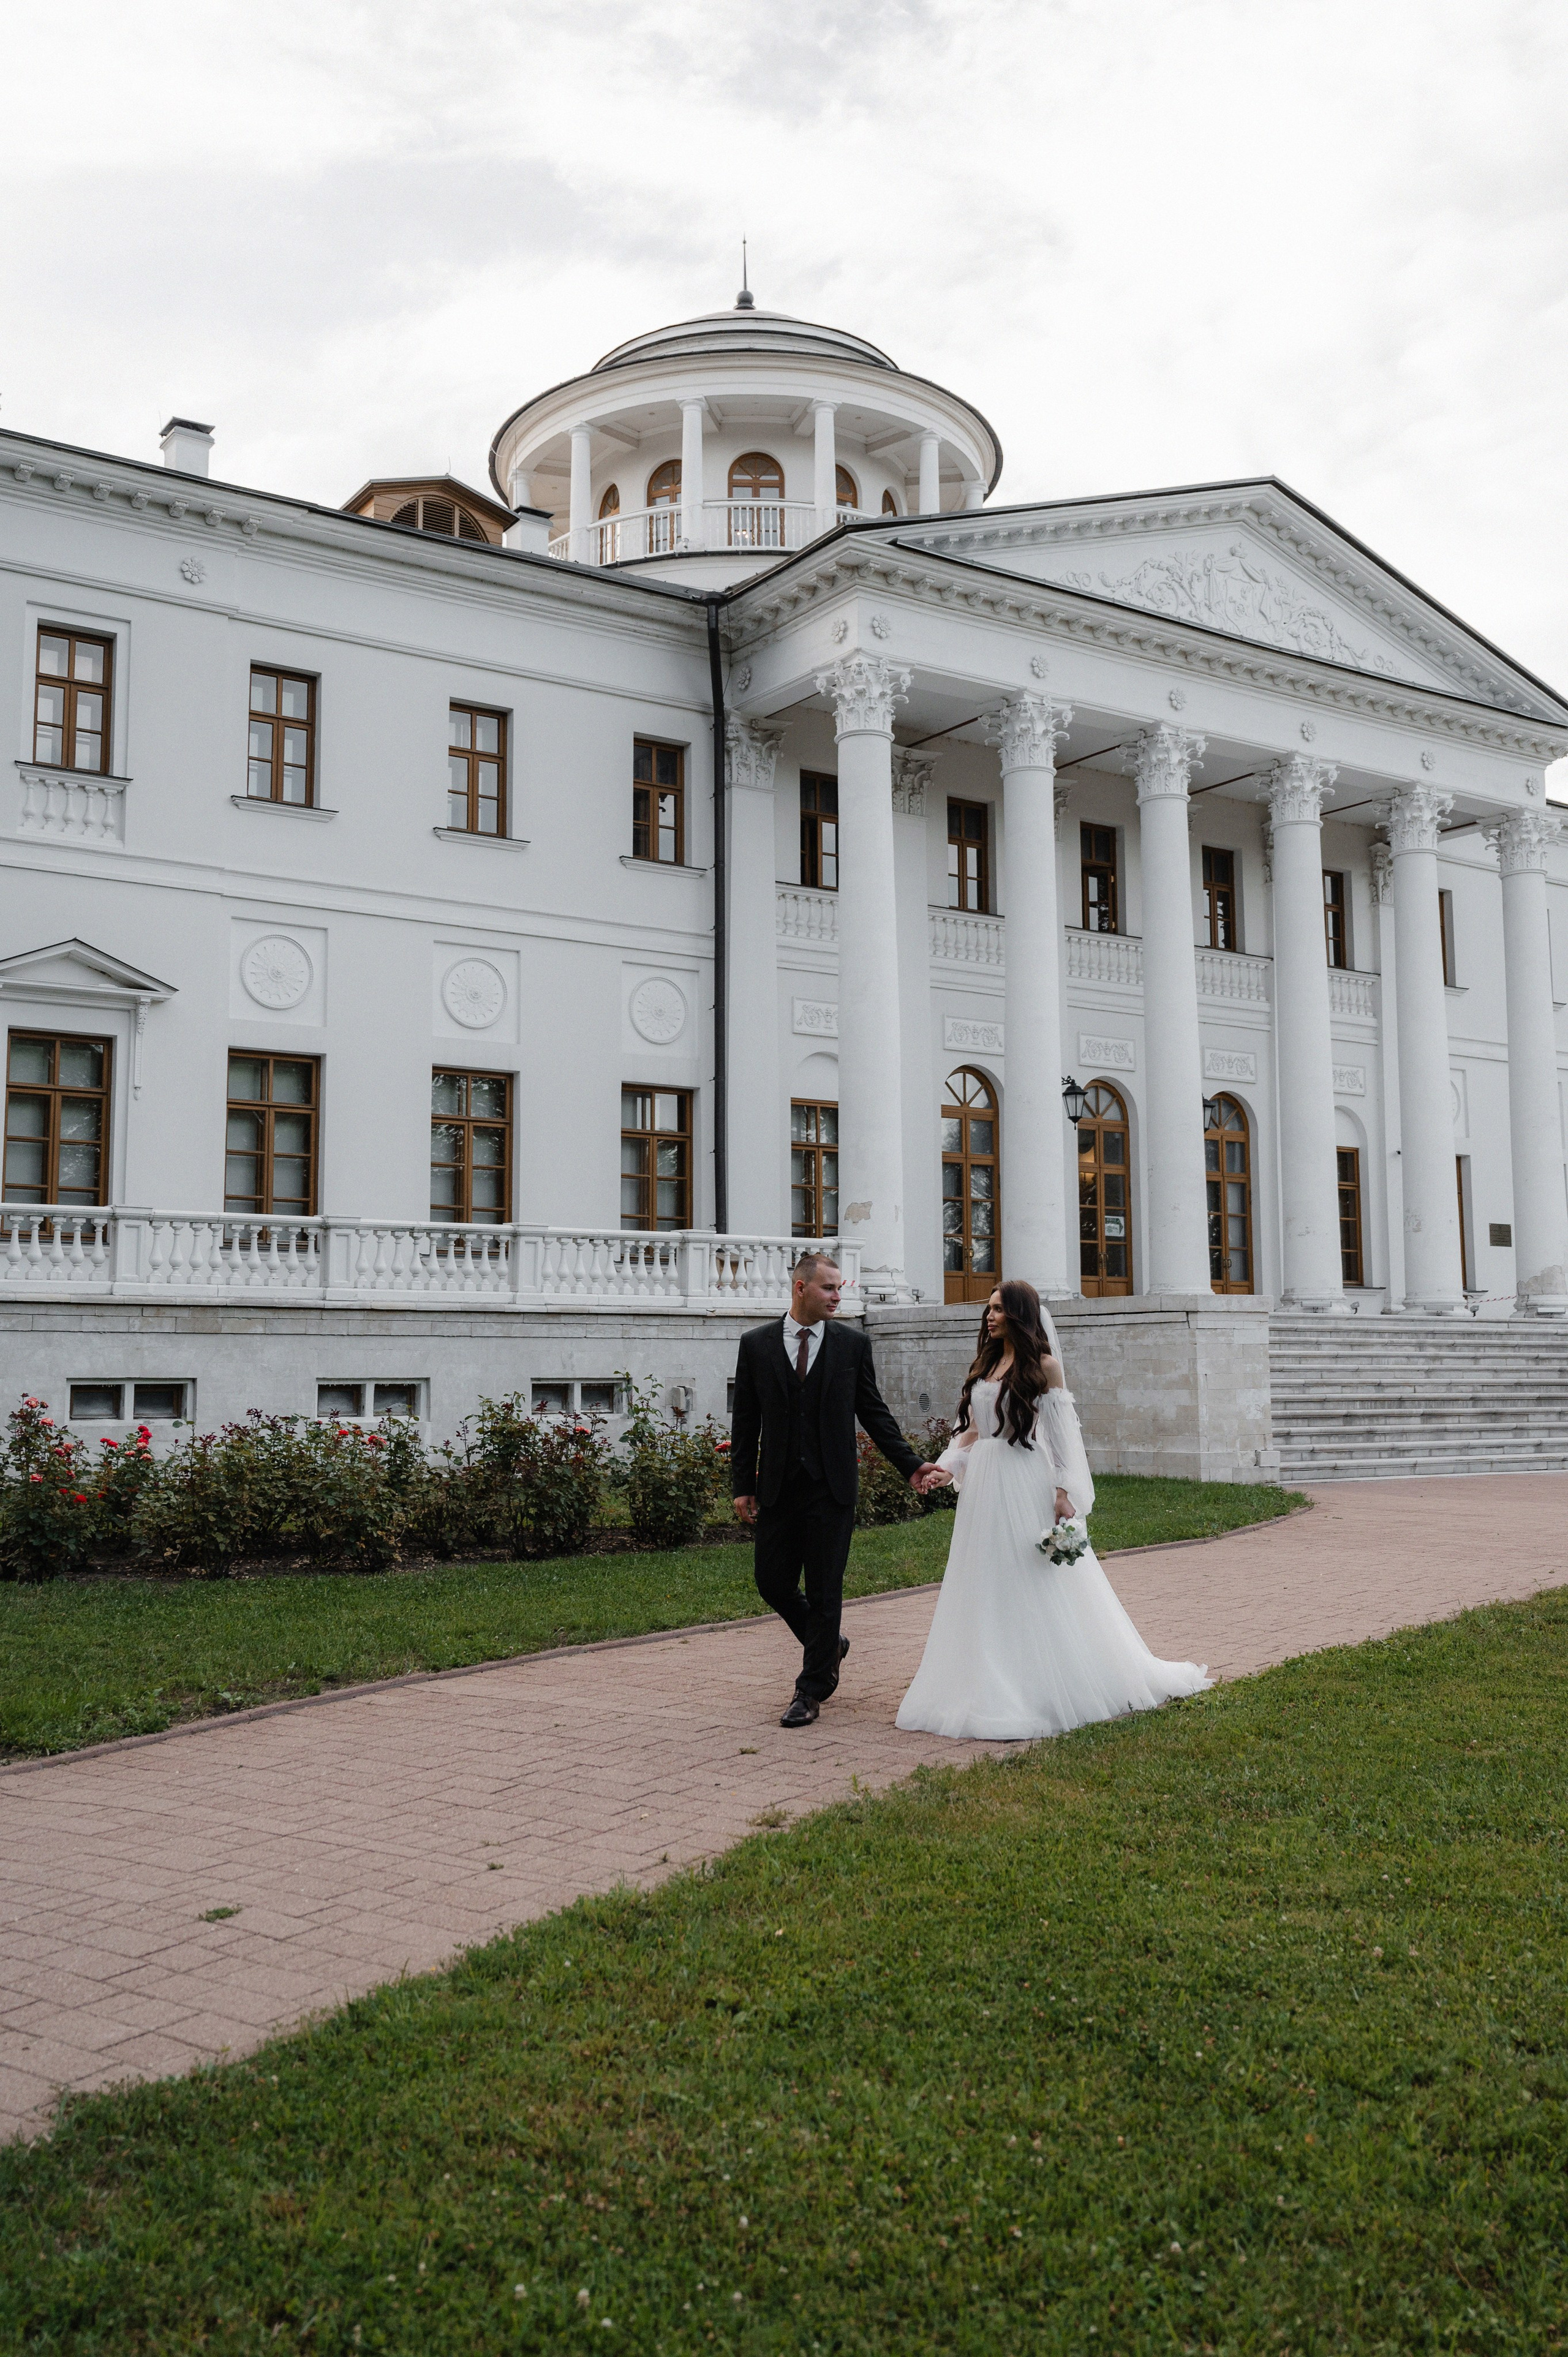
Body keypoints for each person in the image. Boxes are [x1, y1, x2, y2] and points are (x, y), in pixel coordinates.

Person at [896, 1277, 1210, 1741]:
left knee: (1031, 1575)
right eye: (989, 1308)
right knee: (985, 1577)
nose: (990, 1316)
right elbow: (974, 1432)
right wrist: (946, 1466)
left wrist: (1065, 1491)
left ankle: (1046, 1681)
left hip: (1025, 1481)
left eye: (1000, 1309)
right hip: (985, 1483)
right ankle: (984, 1678)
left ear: (1021, 1314)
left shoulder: (1046, 1367)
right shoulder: (987, 1362)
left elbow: (1064, 1438)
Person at [731, 1251, 946, 1727]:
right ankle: (829, 1644)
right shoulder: (757, 1345)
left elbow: (873, 1411)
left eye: (839, 1289)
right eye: (829, 1288)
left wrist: (909, 1465)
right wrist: (742, 1485)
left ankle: (810, 1690)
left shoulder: (853, 1345)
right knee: (772, 1582)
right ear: (801, 1288)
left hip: (832, 1488)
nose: (837, 1296)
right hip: (779, 1489)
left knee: (826, 1591)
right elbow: (745, 1421)